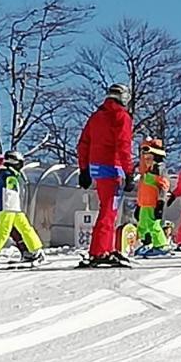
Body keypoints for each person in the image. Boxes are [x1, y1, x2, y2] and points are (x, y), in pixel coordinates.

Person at [76, 83, 135, 266]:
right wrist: (129, 171)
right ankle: (100, 251)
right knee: (109, 211)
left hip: (97, 168)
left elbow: (83, 143)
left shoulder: (96, 116)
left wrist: (84, 169)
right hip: (113, 167)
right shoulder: (121, 117)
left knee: (107, 209)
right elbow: (124, 145)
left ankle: (104, 248)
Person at [0, 150, 45, 267]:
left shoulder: (14, 174)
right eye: (19, 162)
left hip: (15, 208)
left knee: (26, 228)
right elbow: (1, 187)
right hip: (7, 207)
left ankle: (37, 251)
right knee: (3, 232)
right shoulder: (4, 174)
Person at [134, 139, 170, 255]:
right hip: (144, 203)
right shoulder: (146, 173)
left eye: (149, 159)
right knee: (142, 225)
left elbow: (164, 187)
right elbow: (142, 190)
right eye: (145, 159)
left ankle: (161, 245)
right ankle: (147, 242)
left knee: (153, 225)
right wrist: (138, 205)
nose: (147, 161)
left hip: (153, 203)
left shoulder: (159, 171)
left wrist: (160, 202)